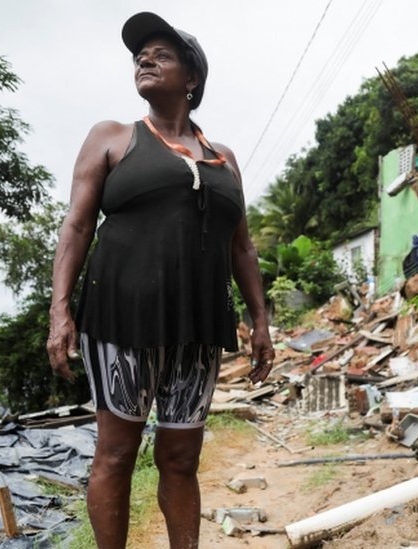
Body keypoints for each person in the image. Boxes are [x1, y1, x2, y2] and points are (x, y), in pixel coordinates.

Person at [46, 12, 273, 549]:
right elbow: (77, 225)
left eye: (161, 54)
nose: (144, 59)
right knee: (118, 452)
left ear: (191, 79)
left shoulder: (224, 160)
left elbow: (241, 246)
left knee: (180, 457)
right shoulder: (113, 138)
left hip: (198, 326)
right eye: (139, 56)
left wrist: (260, 319)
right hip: (122, 317)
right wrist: (60, 310)